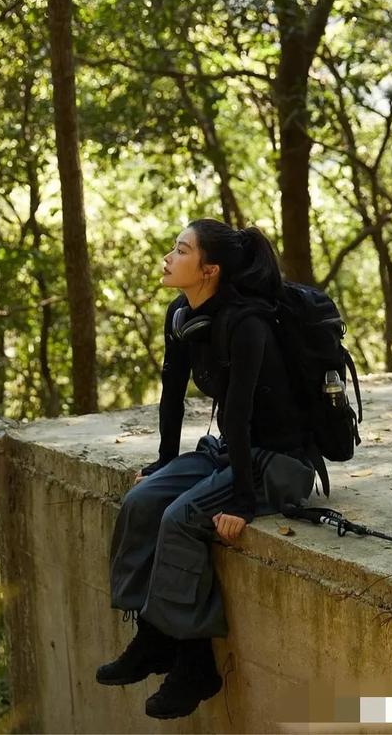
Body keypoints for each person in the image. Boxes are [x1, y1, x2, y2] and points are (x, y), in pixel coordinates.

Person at [95, 218, 316, 720]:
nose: (168, 258)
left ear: (210, 269)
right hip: (228, 450)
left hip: (279, 461)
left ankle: (195, 666)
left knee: (180, 518)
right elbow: (171, 397)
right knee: (142, 501)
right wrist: (164, 463)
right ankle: (155, 637)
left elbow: (238, 414)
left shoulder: (246, 323)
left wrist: (241, 501)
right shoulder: (183, 315)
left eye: (181, 250)